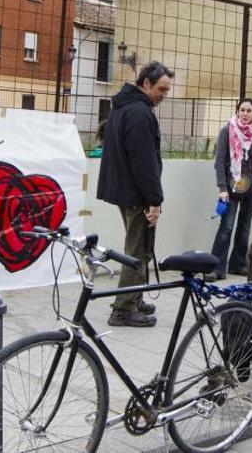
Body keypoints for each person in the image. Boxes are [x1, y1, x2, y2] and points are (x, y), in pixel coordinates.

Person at [96, 61, 174, 327]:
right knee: (137, 250)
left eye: (167, 90)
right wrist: (154, 199)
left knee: (138, 246)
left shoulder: (124, 106)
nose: (164, 94)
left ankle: (134, 296)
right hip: (136, 192)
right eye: (161, 89)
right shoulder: (140, 113)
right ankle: (123, 308)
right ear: (146, 83)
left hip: (123, 188)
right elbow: (144, 162)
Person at [206, 98, 252, 281]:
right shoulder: (227, 131)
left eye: (249, 111)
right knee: (226, 227)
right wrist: (222, 187)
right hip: (231, 188)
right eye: (242, 110)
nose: (245, 114)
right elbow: (219, 162)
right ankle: (216, 268)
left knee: (244, 228)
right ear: (237, 112)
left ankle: (238, 264)